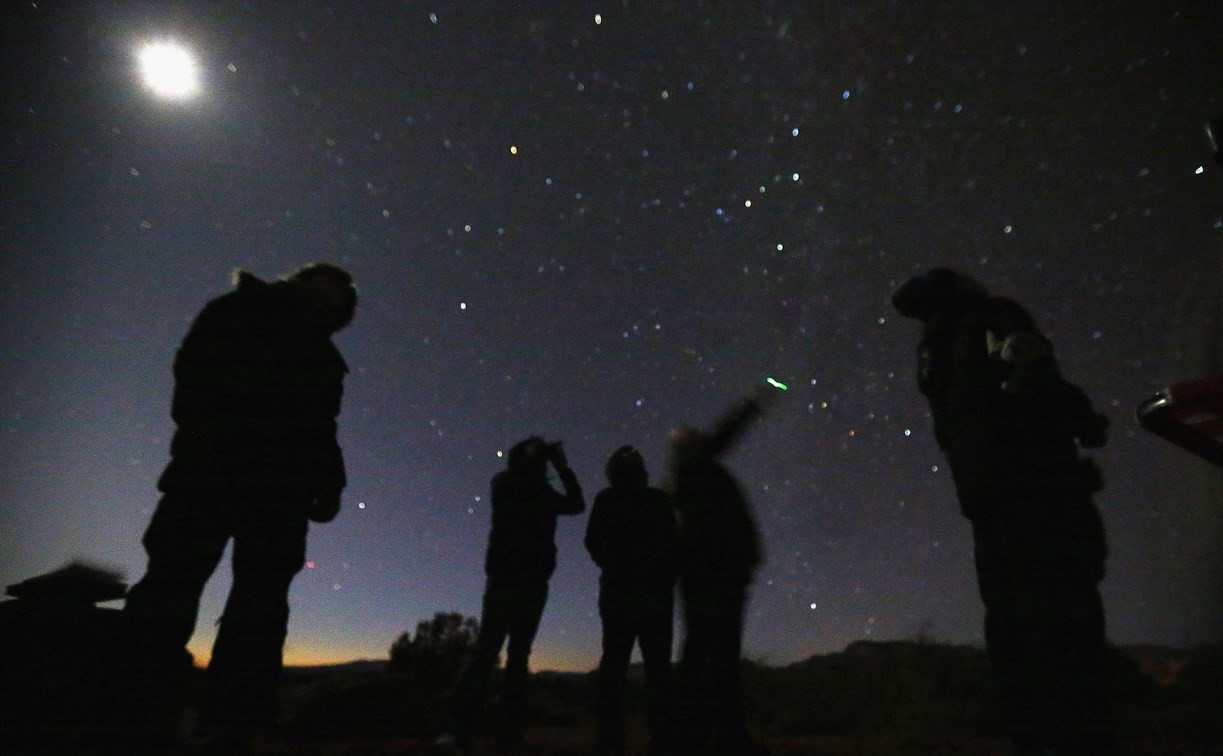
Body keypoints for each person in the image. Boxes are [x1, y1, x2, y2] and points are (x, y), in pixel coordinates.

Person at [123, 263, 357, 749]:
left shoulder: (324, 359)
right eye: (325, 287)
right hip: (211, 472)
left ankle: (230, 730)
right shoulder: (240, 309)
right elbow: (192, 374)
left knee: (260, 609)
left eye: (339, 298)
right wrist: (216, 435)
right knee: (171, 587)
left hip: (279, 495)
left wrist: (329, 483)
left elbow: (322, 428)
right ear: (303, 281)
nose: (330, 298)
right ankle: (134, 719)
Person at [892, 268, 1113, 754]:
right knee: (1067, 603)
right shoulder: (990, 317)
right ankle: (1081, 731)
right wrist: (1082, 420)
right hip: (1038, 479)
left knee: (1011, 611)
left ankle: (1030, 732)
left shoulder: (933, 352)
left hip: (983, 491)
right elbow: (1032, 371)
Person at [449, 436, 585, 750]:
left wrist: (562, 467)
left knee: (517, 656)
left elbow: (577, 505)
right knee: (487, 652)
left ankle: (507, 734)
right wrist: (550, 464)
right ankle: (460, 729)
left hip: (532, 581)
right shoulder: (506, 483)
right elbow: (527, 489)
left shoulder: (540, 490)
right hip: (507, 579)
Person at [670, 388, 775, 754]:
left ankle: (708, 737)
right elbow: (723, 435)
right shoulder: (693, 468)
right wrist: (751, 405)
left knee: (711, 655)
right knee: (710, 656)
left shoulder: (695, 473)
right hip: (712, 572)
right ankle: (707, 737)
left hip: (716, 571)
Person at [585, 446, 680, 754]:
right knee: (657, 670)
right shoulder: (658, 500)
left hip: (621, 592)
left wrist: (612, 565)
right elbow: (675, 545)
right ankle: (662, 739)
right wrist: (665, 576)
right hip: (651, 595)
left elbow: (592, 541)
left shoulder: (608, 499)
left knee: (615, 666)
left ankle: (611, 742)